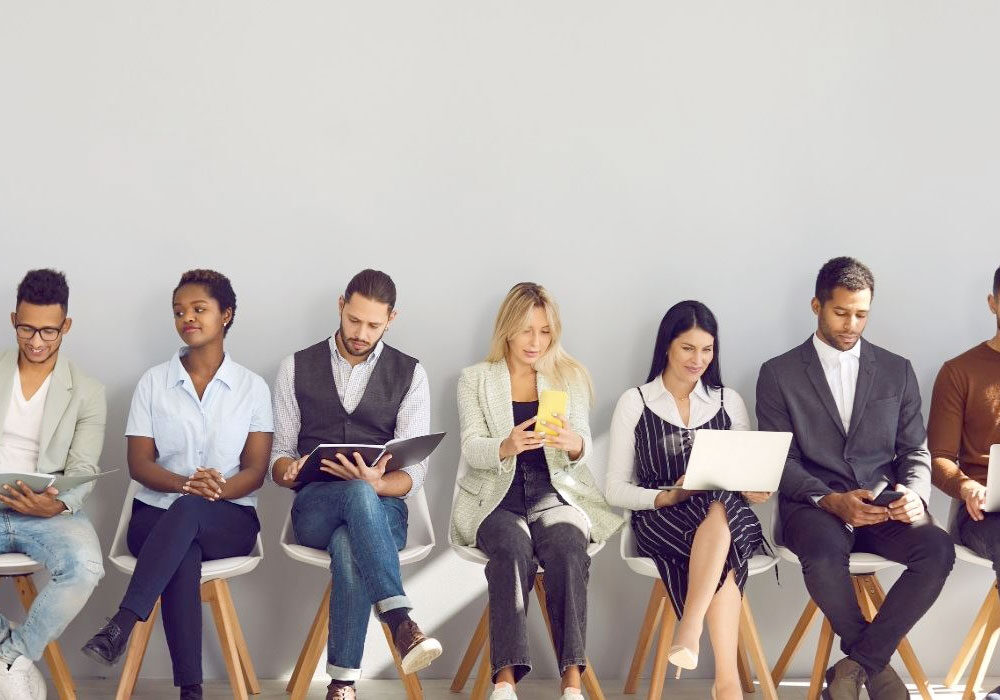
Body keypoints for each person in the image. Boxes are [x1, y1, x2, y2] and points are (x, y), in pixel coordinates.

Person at [756, 256, 955, 700]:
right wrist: (829, 500)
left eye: (861, 314)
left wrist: (916, 497)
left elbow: (915, 451)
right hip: (813, 508)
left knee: (938, 550)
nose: (851, 324)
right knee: (825, 556)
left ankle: (857, 665)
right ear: (817, 306)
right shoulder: (778, 373)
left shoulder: (896, 370)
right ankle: (876, 670)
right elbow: (781, 461)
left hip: (884, 504)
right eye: (840, 312)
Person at [82, 269, 273, 700]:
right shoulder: (153, 383)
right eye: (179, 312)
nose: (187, 317)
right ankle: (191, 691)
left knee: (186, 515)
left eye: (198, 309)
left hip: (230, 519)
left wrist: (214, 491)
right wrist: (187, 483)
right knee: (182, 540)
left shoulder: (252, 388)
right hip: (154, 516)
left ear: (226, 314)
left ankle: (123, 623)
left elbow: (255, 470)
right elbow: (139, 464)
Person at [270, 269, 441, 700]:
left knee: (351, 541)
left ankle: (342, 685)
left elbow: (414, 474)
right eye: (354, 320)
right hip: (314, 510)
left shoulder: (411, 373)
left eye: (373, 325)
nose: (361, 333)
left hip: (383, 513)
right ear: (341, 305)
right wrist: (288, 469)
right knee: (351, 504)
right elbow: (279, 455)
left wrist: (377, 484)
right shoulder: (295, 366)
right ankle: (400, 619)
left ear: (391, 319)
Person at [452, 282, 622, 700]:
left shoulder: (567, 376)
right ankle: (505, 682)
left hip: (555, 489)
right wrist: (505, 445)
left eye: (545, 331)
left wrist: (574, 443)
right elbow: (472, 447)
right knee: (511, 551)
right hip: (498, 494)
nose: (535, 341)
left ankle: (572, 683)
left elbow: (583, 442)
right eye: (527, 330)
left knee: (567, 547)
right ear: (507, 329)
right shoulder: (475, 379)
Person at [605, 300, 768, 700]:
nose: (699, 360)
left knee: (721, 507)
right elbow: (614, 489)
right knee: (724, 545)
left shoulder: (728, 402)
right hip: (664, 517)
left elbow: (746, 470)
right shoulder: (636, 403)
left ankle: (690, 628)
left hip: (729, 513)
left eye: (707, 349)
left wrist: (755, 488)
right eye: (688, 348)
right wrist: (669, 495)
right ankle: (726, 683)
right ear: (667, 347)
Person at [0, 269, 106, 700]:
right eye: (27, 328)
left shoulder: (87, 391)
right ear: (13, 320)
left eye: (48, 330)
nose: (37, 340)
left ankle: (14, 657)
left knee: (85, 567)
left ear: (66, 326)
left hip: (49, 508)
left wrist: (56, 506)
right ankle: (8, 648)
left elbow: (82, 466)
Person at [928, 264, 1000, 699]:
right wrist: (967, 487)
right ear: (993, 303)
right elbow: (939, 461)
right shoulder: (959, 371)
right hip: (982, 512)